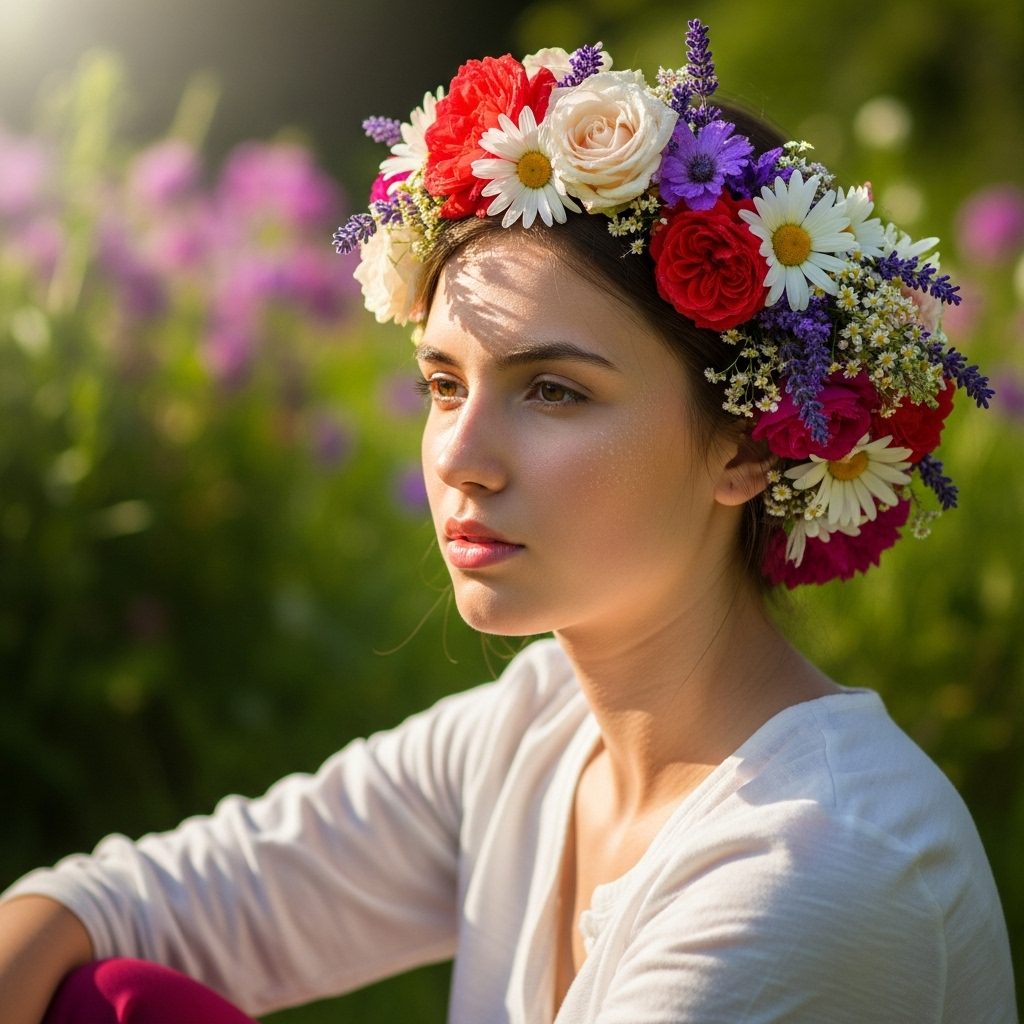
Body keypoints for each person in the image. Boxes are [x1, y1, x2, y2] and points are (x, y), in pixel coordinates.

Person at [0, 23, 1016, 1024]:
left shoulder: (821, 859)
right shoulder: (539, 727)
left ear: (748, 445)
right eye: (444, 382)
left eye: (555, 392)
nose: (456, 456)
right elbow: (135, 904)